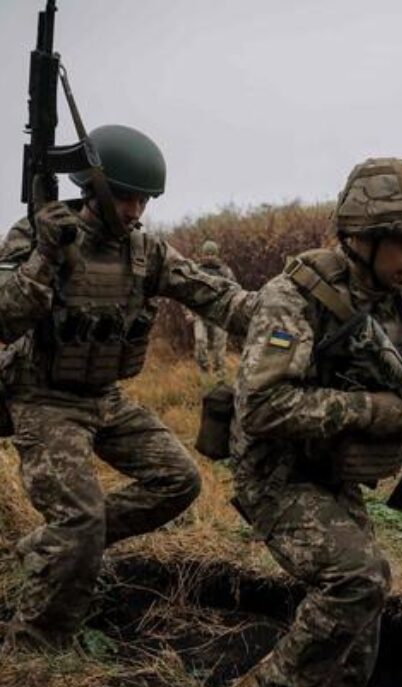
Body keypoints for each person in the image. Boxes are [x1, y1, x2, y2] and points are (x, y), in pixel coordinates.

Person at [229, 157, 402, 687]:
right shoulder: (291, 298)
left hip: (333, 477)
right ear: (363, 237)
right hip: (275, 475)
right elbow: (263, 407)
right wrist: (375, 410)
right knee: (357, 578)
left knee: (367, 598)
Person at [0, 124, 256, 652]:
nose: (135, 211)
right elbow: (4, 317)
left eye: (144, 200)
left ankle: (58, 546)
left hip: (105, 398)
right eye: (124, 197)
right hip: (43, 398)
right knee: (82, 516)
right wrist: (46, 258)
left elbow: (219, 298)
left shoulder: (147, 252)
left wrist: (285, 317)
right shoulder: (35, 236)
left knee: (178, 480)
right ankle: (33, 646)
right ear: (91, 189)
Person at [189, 240, 237, 375]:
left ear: (217, 255)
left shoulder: (225, 271)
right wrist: (188, 312)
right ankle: (203, 370)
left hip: (220, 313)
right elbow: (186, 291)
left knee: (219, 345)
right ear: (202, 255)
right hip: (199, 312)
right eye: (206, 254)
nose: (209, 257)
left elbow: (234, 291)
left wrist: (231, 310)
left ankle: (219, 371)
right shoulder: (195, 271)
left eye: (212, 254)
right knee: (200, 341)